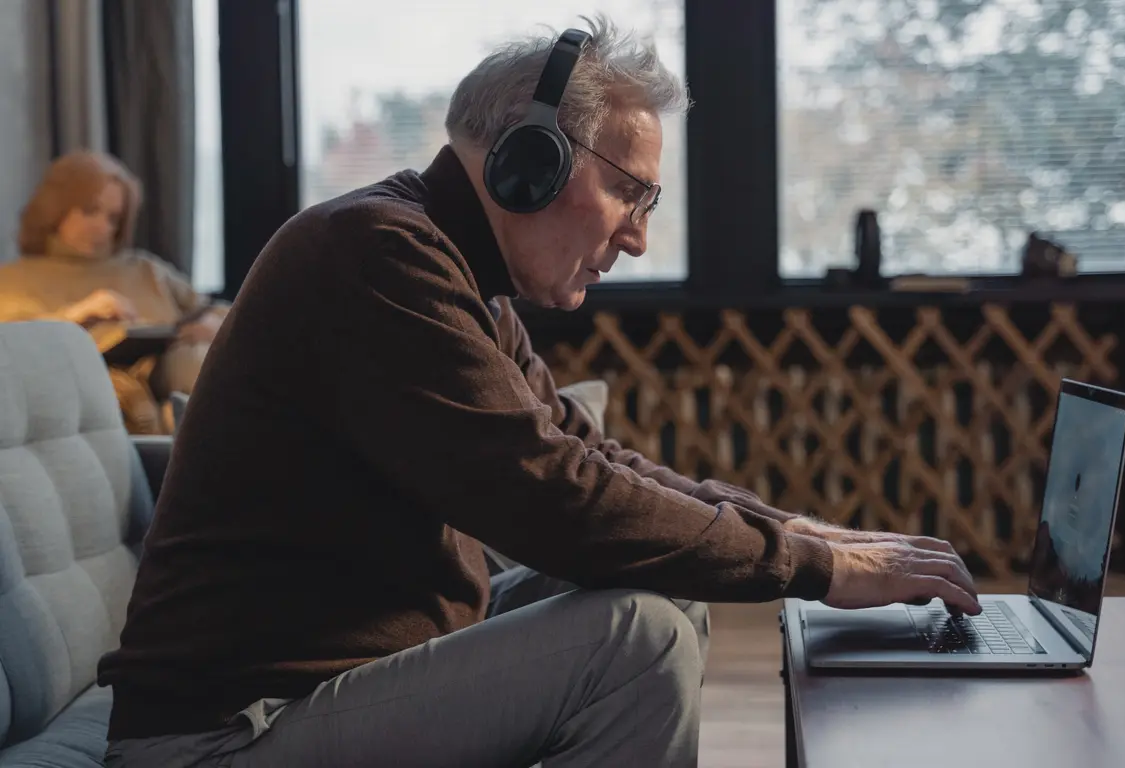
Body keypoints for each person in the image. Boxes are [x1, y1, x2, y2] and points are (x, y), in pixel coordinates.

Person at [97, 17, 980, 768]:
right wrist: (818, 571)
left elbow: (588, 458)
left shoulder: (455, 271)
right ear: (532, 160)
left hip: (330, 681)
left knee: (661, 586)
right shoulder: (374, 254)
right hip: (222, 735)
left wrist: (798, 533)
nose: (637, 238)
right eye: (629, 194)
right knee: (638, 639)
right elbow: (555, 498)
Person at [0, 150, 227, 433]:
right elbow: (12, 345)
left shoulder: (145, 269)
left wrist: (213, 325)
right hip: (99, 394)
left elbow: (215, 309)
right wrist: (77, 315)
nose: (102, 228)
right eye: (89, 211)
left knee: (201, 361)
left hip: (174, 380)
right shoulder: (12, 281)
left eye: (113, 218)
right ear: (55, 208)